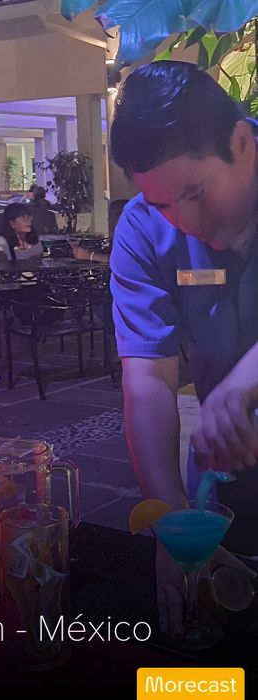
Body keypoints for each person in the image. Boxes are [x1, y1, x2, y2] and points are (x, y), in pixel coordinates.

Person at [109, 61, 258, 639]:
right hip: (225, 479)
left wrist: (243, 382)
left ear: (241, 143)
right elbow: (148, 380)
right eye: (164, 204)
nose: (186, 222)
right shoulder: (144, 228)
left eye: (194, 193)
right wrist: (172, 523)